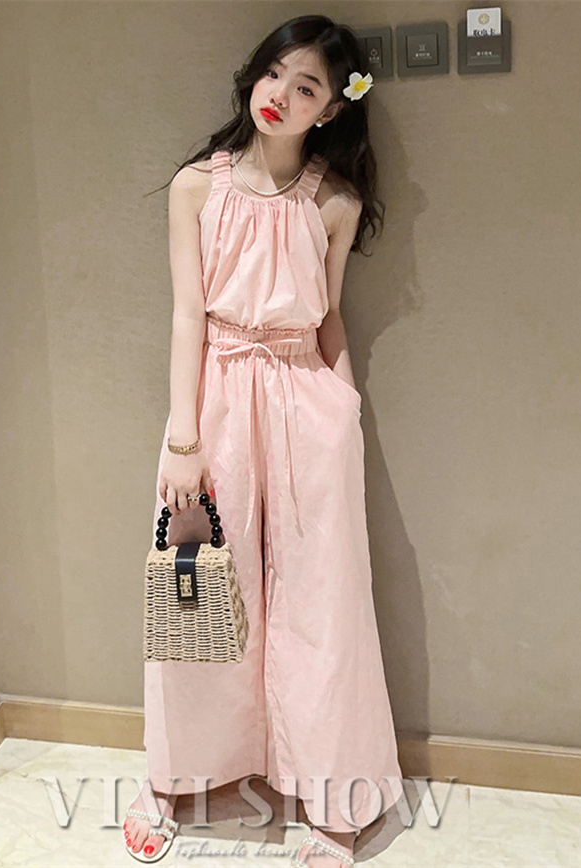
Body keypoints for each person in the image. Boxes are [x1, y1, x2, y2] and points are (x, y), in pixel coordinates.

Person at [123, 14, 404, 868]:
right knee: (199, 593)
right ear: (254, 74)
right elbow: (187, 314)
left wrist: (344, 410)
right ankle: (173, 777)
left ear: (332, 109)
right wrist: (183, 437)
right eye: (276, 73)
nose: (282, 95)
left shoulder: (333, 203)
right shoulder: (196, 189)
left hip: (308, 406)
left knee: (324, 603)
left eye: (308, 86)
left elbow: (330, 318)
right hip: (214, 405)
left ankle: (334, 802)